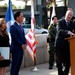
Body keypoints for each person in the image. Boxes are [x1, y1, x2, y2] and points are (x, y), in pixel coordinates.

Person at [55, 10, 75, 75]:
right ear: (65, 14)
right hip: (60, 45)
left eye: (71, 15)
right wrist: (68, 32)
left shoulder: (72, 23)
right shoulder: (60, 22)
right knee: (59, 62)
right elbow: (59, 31)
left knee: (69, 61)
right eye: (68, 14)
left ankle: (66, 73)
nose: (69, 16)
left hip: (68, 45)